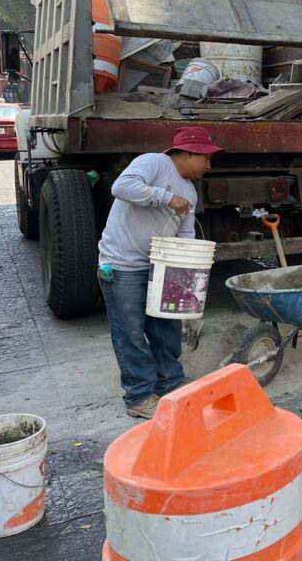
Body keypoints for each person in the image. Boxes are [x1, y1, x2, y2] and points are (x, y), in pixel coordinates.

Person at [97, 126, 223, 418]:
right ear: (188, 153)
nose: (208, 165)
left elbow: (187, 229)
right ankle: (139, 396)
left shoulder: (189, 190)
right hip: (122, 265)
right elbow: (120, 187)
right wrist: (165, 198)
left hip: (162, 266)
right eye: (205, 158)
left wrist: (188, 263)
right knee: (130, 332)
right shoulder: (154, 163)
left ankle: (170, 383)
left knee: (167, 327)